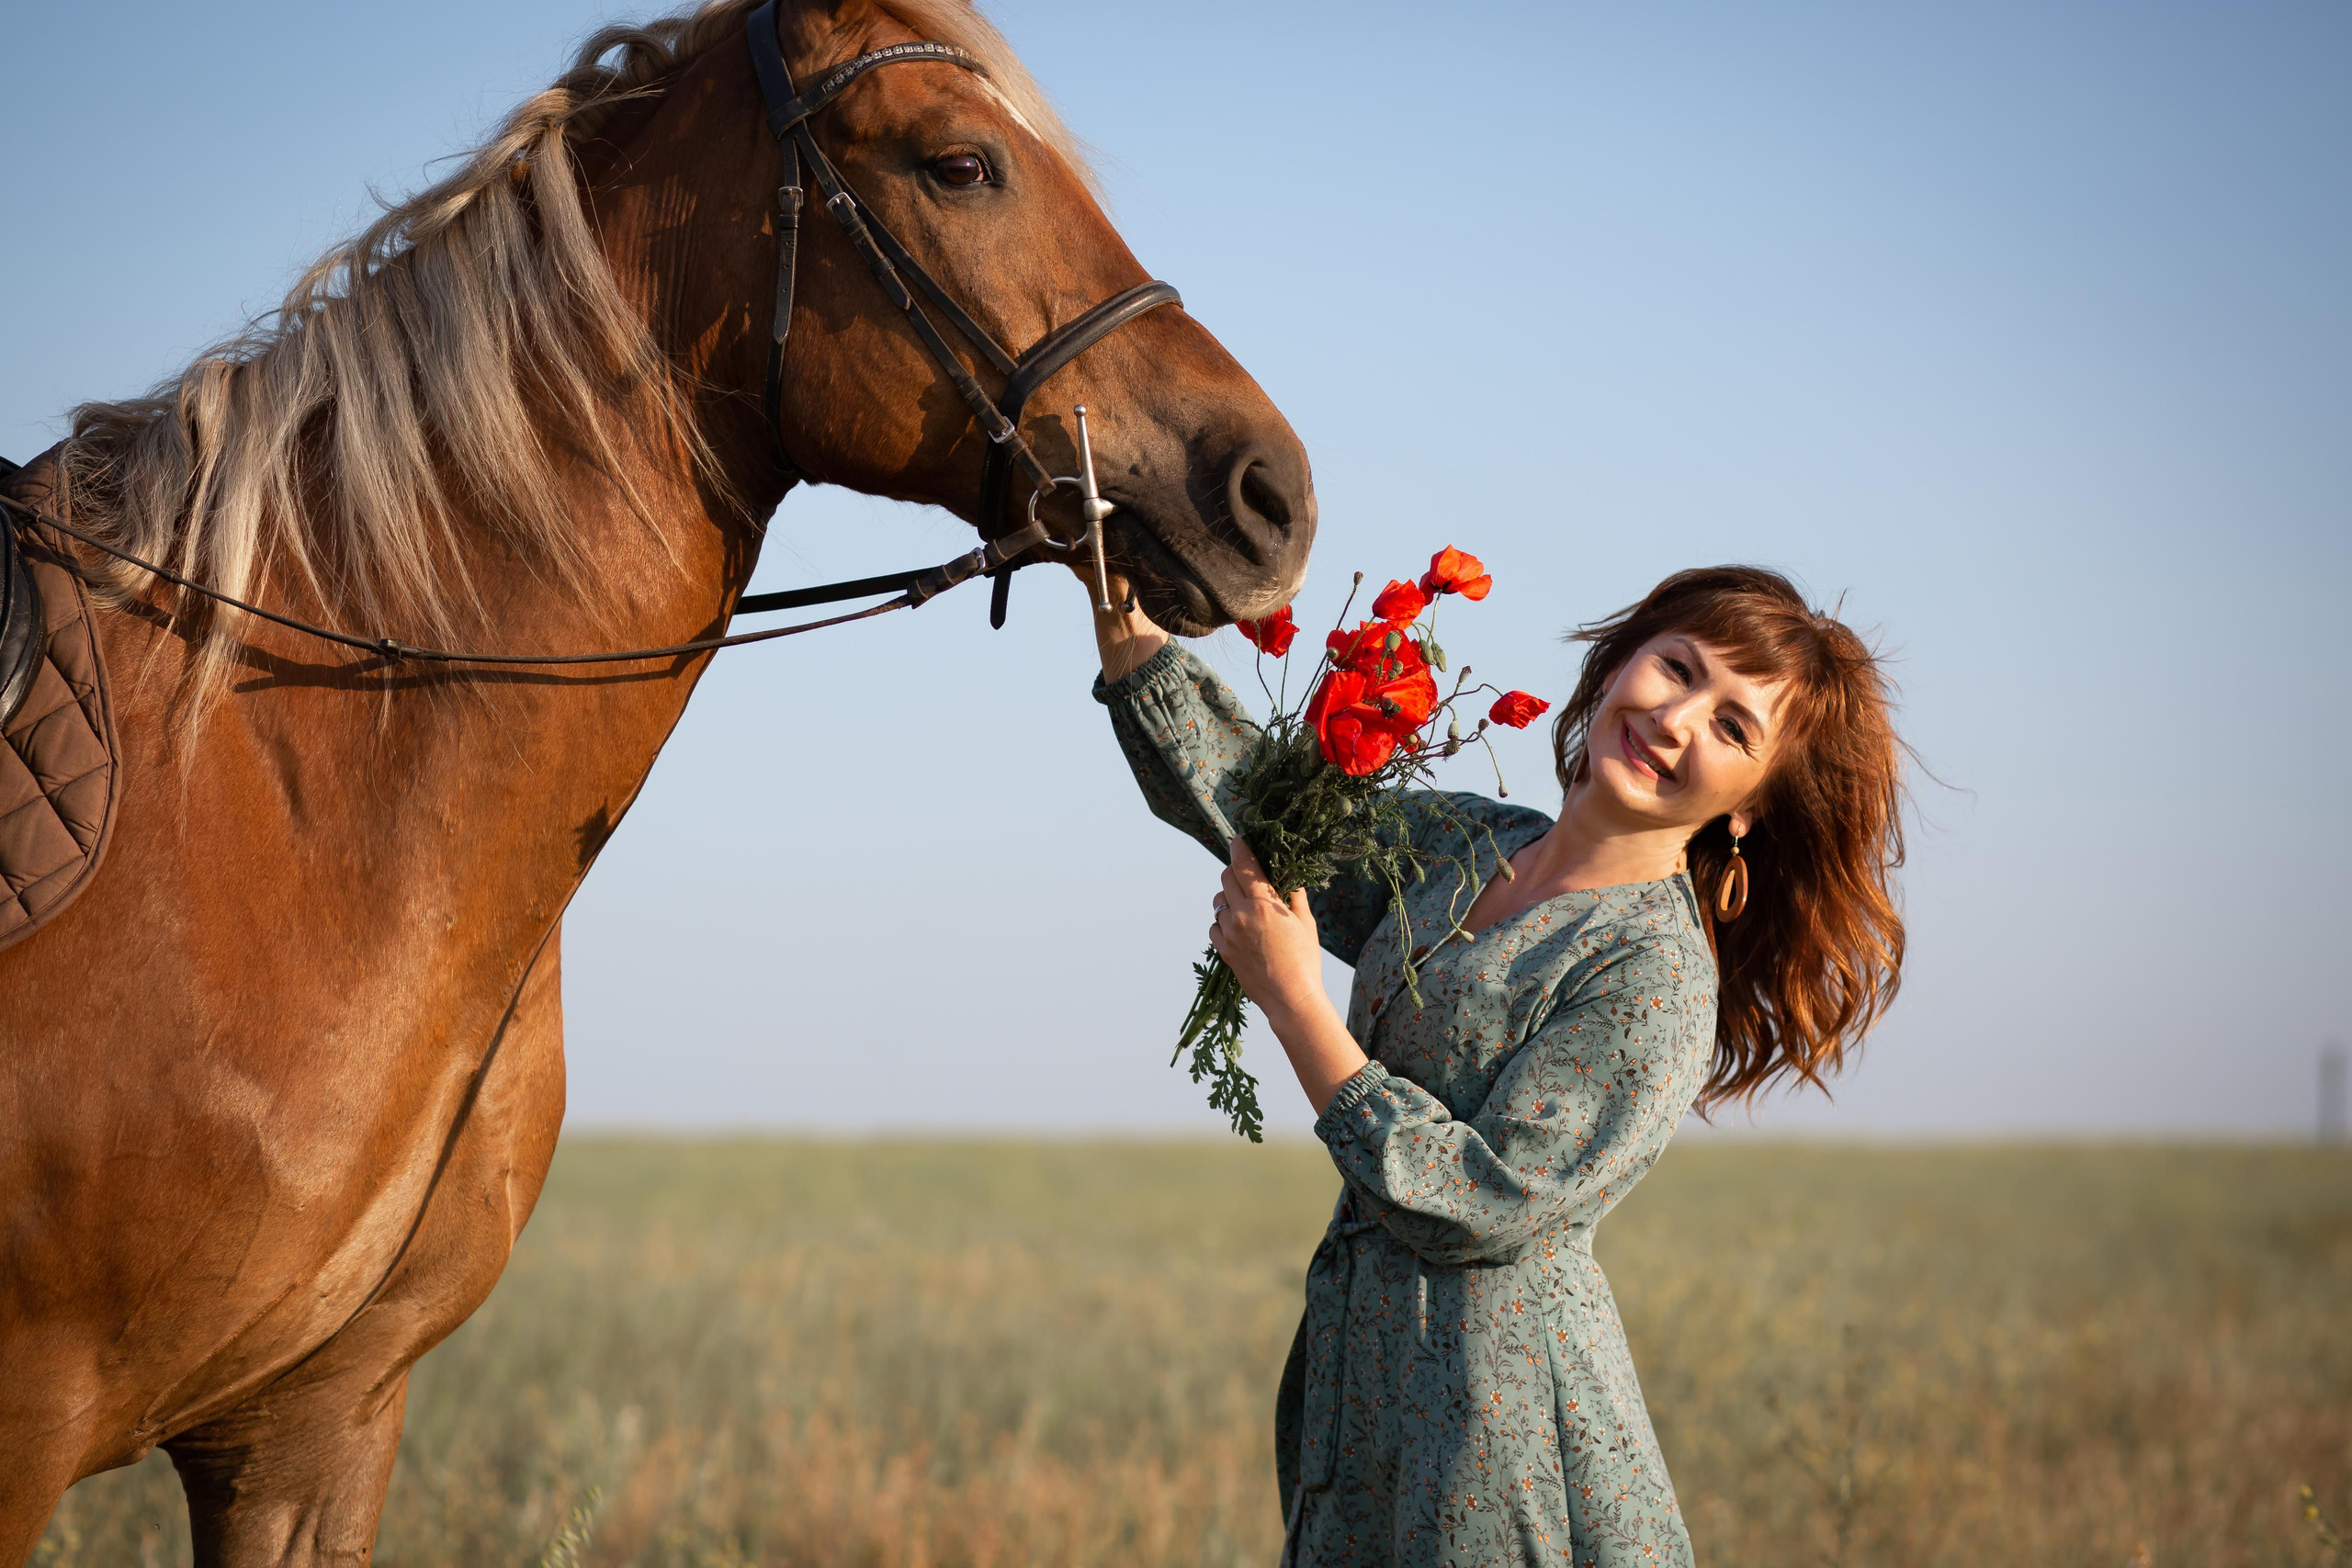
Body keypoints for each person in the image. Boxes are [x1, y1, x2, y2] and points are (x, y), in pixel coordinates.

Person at [1089, 564, 1908, 1567]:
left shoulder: (1651, 974)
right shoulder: (1472, 840)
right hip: (1360, 1371)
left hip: (1500, 1421)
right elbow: (1267, 817)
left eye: (1734, 726)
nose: (1679, 719)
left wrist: (1294, 1000)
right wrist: (1117, 606)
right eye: (1676, 668)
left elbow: (1484, 1202)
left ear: (1750, 807)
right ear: (1617, 668)